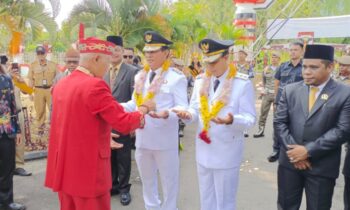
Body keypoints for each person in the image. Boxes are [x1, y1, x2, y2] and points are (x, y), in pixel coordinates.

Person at [44, 30, 154, 210]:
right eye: (106, 62)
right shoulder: (95, 85)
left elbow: (75, 122)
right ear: (95, 59)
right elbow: (124, 123)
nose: (107, 69)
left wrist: (102, 135)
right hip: (88, 171)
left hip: (64, 169)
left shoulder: (61, 84)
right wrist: (144, 109)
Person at [174, 38, 256, 210]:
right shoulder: (200, 81)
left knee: (225, 202)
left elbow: (250, 118)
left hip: (226, 152)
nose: (210, 67)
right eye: (207, 62)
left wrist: (232, 120)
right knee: (206, 199)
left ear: (227, 57)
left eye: (214, 62)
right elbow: (195, 109)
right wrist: (187, 115)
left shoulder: (242, 84)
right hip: (203, 150)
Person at [274, 44, 350, 210]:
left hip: (322, 167)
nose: (306, 71)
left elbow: (342, 130)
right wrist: (295, 153)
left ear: (330, 67)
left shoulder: (345, 93)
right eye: (304, 66)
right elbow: (280, 122)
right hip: (289, 164)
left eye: (313, 67)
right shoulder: (290, 90)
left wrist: (307, 151)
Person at [122, 31, 188, 210]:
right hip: (143, 140)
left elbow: (183, 108)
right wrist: (116, 107)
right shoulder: (139, 76)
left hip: (165, 142)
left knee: (169, 185)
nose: (149, 55)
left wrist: (167, 113)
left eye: (154, 51)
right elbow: (135, 103)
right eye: (147, 51)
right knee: (148, 184)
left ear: (166, 53)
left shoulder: (176, 78)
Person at [103, 35, 139, 205]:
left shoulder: (132, 71)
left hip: (123, 121)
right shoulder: (102, 71)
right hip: (105, 123)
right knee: (108, 157)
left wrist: (132, 124)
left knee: (123, 157)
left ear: (122, 51)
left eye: (117, 49)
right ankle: (113, 185)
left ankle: (124, 189)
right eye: (110, 49)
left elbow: (136, 99)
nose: (114, 53)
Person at [268, 41, 304, 162]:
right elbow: (277, 84)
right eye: (291, 50)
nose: (293, 52)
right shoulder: (282, 66)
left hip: (299, 102)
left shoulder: (305, 67)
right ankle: (276, 149)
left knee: (296, 126)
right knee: (278, 125)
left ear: (301, 52)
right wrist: (276, 100)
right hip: (282, 102)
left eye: (295, 50)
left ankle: (293, 150)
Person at [0, 64, 26, 210]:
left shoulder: (6, 79)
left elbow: (12, 105)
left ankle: (6, 202)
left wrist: (17, 130)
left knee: (7, 169)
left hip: (5, 130)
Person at [27, 46, 59, 131]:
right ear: (36, 54)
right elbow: (31, 80)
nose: (40, 55)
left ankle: (54, 128)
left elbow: (58, 78)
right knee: (39, 110)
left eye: (42, 53)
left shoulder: (53, 65)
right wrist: (30, 93)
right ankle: (40, 127)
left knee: (53, 110)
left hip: (50, 90)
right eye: (38, 53)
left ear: (46, 54)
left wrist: (57, 91)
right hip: (38, 90)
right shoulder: (33, 65)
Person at [254, 52, 281, 138]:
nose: (273, 59)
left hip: (277, 95)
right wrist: (265, 90)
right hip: (267, 94)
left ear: (279, 59)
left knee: (277, 115)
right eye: (272, 57)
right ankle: (260, 131)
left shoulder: (282, 68)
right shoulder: (266, 69)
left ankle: (277, 133)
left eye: (275, 57)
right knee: (263, 113)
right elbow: (264, 81)